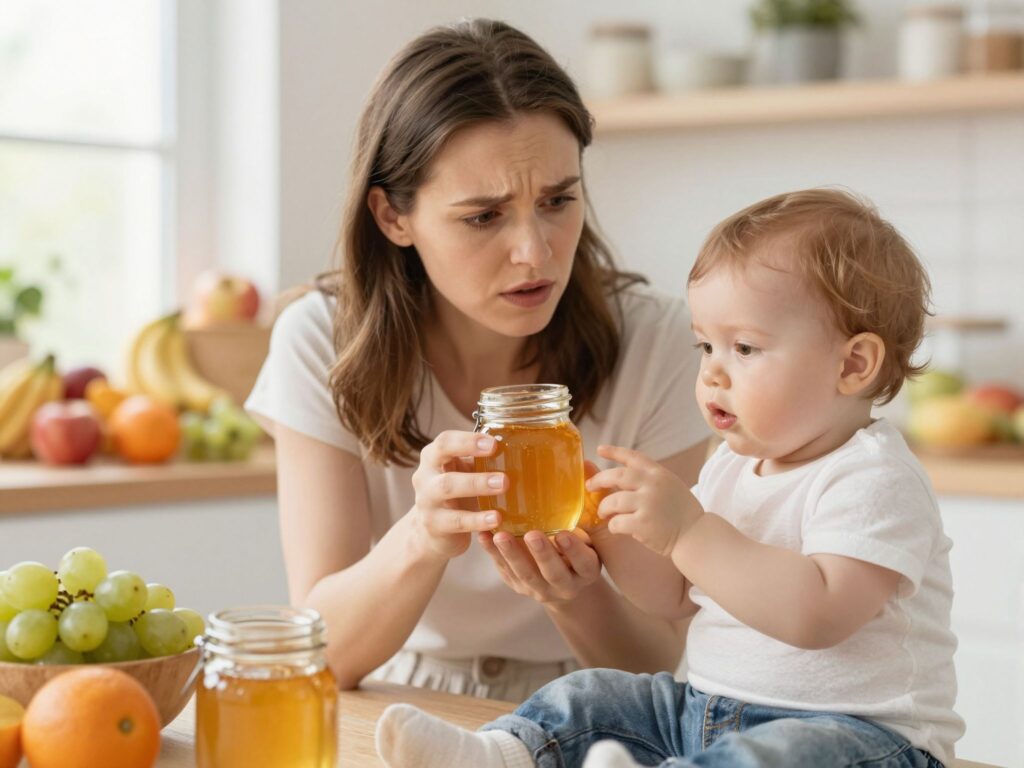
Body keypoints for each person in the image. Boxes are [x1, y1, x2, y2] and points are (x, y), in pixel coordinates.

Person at [374, 188, 966, 767]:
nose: (712, 374)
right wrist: (610, 525)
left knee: (785, 755)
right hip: (705, 712)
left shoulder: (874, 478)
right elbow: (675, 594)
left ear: (852, 364)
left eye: (745, 348)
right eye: (706, 345)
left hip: (860, 740)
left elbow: (817, 614)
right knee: (595, 696)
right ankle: (498, 754)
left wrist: (687, 531)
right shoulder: (733, 465)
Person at [244, 17, 709, 702]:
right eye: (484, 217)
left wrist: (572, 597)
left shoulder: (657, 341)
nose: (536, 251)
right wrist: (423, 536)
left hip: (589, 700)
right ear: (392, 217)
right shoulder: (320, 340)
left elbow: (658, 661)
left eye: (558, 201)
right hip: (396, 697)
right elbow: (322, 654)